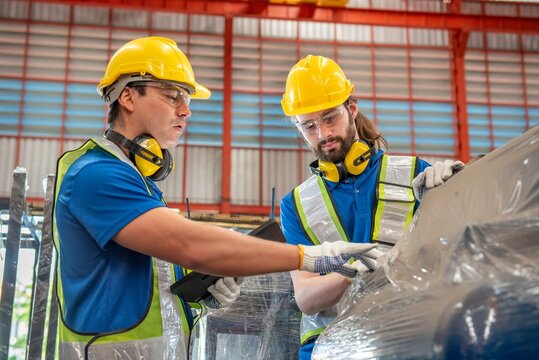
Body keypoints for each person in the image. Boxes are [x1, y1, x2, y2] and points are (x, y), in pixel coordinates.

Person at [52, 38, 383, 360]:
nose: (186, 111)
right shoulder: (96, 174)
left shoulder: (138, 183)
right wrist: (311, 257)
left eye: (188, 101)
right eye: (173, 97)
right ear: (127, 96)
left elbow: (142, 290)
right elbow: (192, 247)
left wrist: (199, 297)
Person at [279, 55, 464, 359]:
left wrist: (453, 189)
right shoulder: (296, 205)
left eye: (329, 118)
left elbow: (454, 253)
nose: (323, 134)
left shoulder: (416, 173)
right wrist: (353, 271)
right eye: (309, 126)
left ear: (351, 107)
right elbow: (307, 298)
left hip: (407, 337)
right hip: (329, 348)